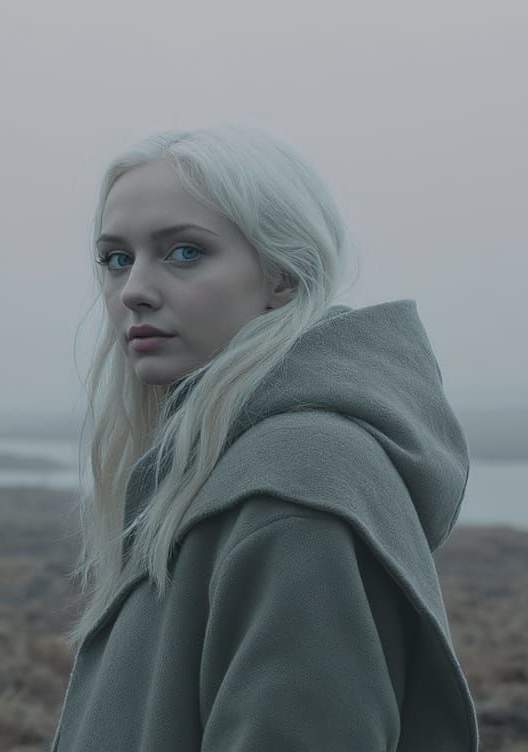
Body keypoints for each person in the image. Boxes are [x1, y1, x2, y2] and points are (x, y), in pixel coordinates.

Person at [47, 124, 478, 751]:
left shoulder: (296, 485)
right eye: (117, 259)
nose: (134, 289)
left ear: (282, 275)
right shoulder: (219, 464)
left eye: (184, 252)